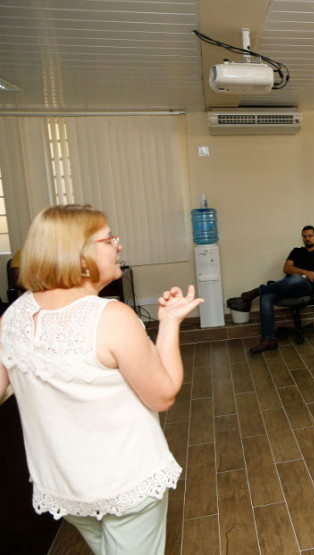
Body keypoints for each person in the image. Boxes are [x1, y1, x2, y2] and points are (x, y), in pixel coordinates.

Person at [0, 205, 202, 553]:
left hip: (65, 486)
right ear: (78, 256)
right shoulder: (111, 317)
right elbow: (163, 394)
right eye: (110, 239)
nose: (118, 245)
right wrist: (169, 324)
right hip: (124, 485)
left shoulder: (15, 315)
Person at [245, 226, 314, 353]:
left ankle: (258, 290)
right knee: (267, 296)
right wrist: (305, 272)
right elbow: (287, 268)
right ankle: (269, 339)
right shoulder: (297, 251)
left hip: (307, 288)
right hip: (286, 287)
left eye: (310, 235)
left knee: (297, 279)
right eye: (304, 236)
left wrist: (309, 277)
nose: (307, 238)